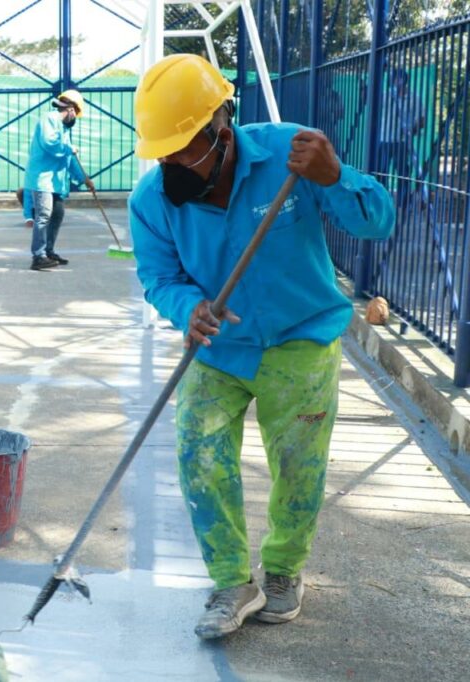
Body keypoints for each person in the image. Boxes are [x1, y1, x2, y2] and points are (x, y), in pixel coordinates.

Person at [129, 54, 395, 640]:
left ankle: (282, 572)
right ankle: (231, 580)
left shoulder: (290, 157)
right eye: (163, 150)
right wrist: (186, 309)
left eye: (183, 146)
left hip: (300, 342)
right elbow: (159, 278)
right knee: (198, 453)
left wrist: (336, 176)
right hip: (219, 349)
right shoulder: (153, 200)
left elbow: (378, 222)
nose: (171, 161)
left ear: (221, 128)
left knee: (298, 467)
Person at [23, 89, 94, 270]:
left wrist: (84, 179)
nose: (76, 118)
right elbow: (50, 144)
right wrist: (69, 148)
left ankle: (49, 251)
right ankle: (38, 256)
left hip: (54, 182)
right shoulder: (49, 118)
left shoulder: (63, 128)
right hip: (42, 179)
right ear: (71, 109)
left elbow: (68, 159)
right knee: (44, 216)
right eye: (76, 113)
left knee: (58, 214)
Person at [378, 68, 426, 210]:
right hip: (384, 140)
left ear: (405, 80)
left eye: (399, 79)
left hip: (403, 141)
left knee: (403, 173)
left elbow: (422, 119)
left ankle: (404, 203)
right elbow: (370, 103)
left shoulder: (413, 98)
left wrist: (413, 129)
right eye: (394, 79)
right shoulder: (385, 96)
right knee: (381, 171)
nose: (396, 82)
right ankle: (381, 201)